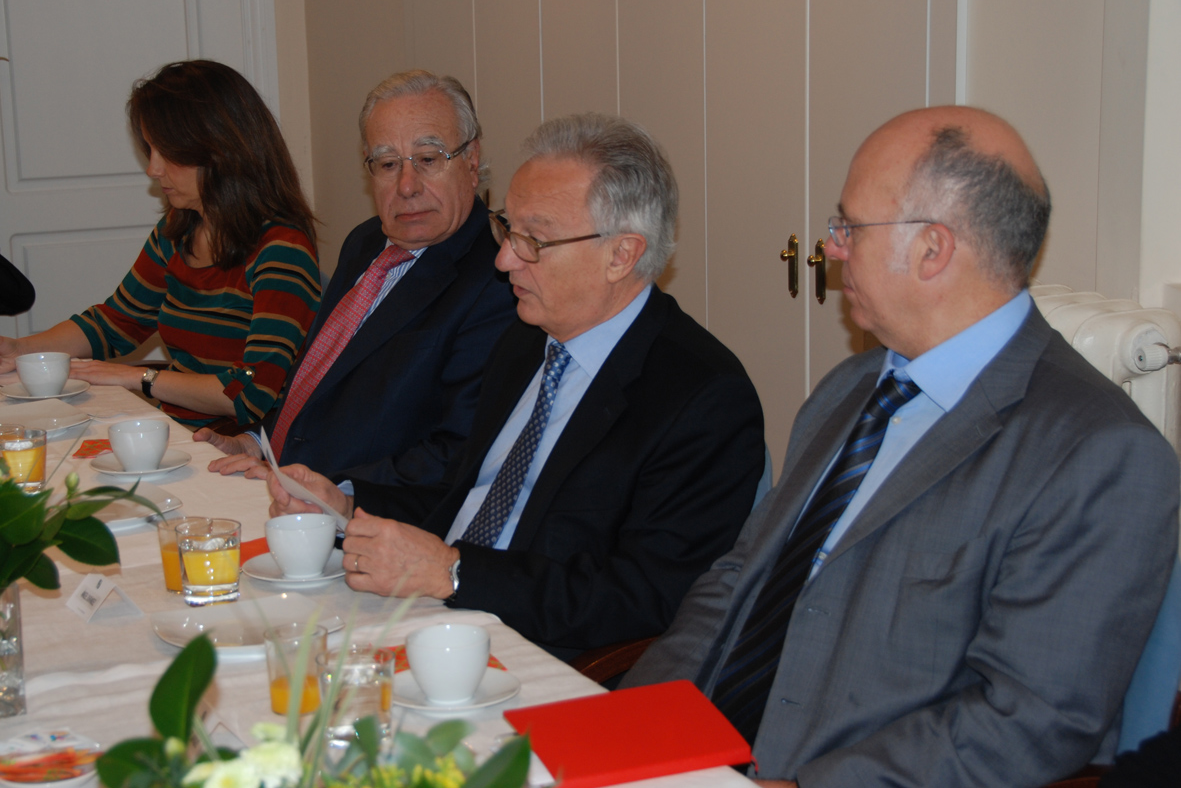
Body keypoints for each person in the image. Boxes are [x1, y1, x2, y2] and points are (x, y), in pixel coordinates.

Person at [621, 106, 1180, 786]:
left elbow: (1028, 721)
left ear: (932, 249)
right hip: (694, 756)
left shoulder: (1097, 454)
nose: (831, 249)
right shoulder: (850, 386)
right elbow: (739, 578)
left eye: (849, 227)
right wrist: (624, 728)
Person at [268, 113, 766, 658]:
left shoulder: (701, 398)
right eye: (506, 229)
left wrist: (454, 573)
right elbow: (461, 491)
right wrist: (345, 503)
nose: (505, 259)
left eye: (534, 240)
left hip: (542, 653)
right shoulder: (526, 340)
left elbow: (644, 598)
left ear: (621, 255)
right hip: (434, 615)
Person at [196, 70, 515, 486]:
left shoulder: (497, 276)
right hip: (281, 480)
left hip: (364, 509)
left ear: (471, 160)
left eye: (428, 159)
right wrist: (255, 443)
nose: (406, 186)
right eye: (388, 164)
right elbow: (319, 382)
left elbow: (457, 453)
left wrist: (335, 492)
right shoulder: (365, 242)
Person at [0, 60, 321, 428]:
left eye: (167, 153)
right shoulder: (177, 232)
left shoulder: (281, 249)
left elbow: (247, 394)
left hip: (241, 444)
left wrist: (137, 377)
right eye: (150, 150)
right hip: (179, 430)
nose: (153, 169)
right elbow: (116, 322)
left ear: (221, 150)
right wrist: (19, 350)